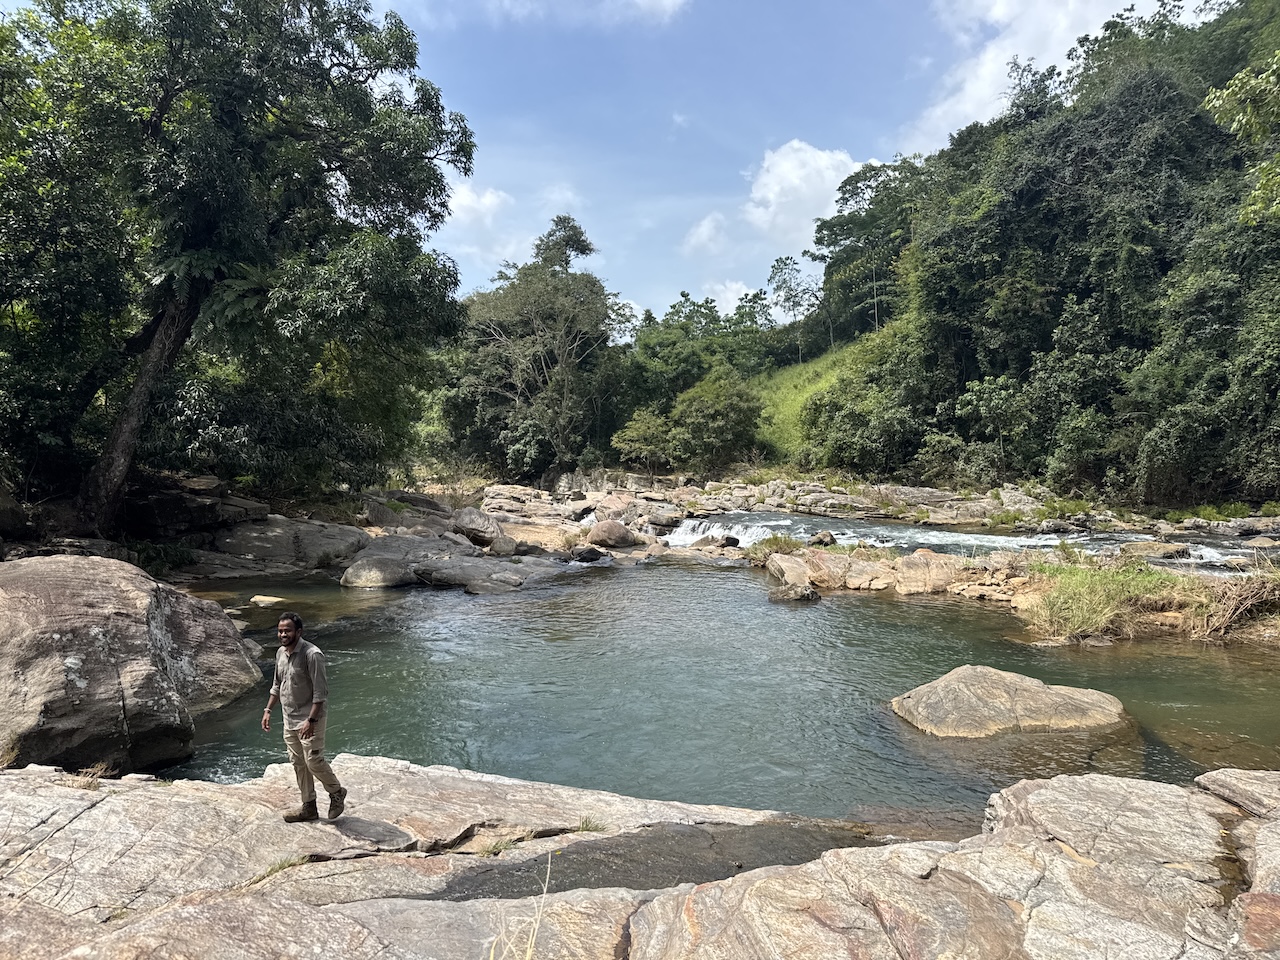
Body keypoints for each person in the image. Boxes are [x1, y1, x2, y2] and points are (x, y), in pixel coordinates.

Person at [261, 612, 347, 822]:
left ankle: (336, 791)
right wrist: (268, 710)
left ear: (298, 632)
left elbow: (321, 693)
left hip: (310, 718)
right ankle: (309, 806)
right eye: (280, 630)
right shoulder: (280, 653)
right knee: (298, 763)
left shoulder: (312, 655)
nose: (283, 634)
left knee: (313, 761)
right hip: (289, 717)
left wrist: (311, 721)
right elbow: (276, 685)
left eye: (287, 630)